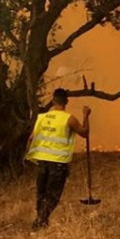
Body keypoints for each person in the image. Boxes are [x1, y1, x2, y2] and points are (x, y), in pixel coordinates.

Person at [25, 88, 91, 231]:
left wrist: (28, 158)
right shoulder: (69, 119)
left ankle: (41, 221)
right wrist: (85, 115)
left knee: (41, 193)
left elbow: (31, 138)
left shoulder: (41, 118)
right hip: (58, 162)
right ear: (66, 101)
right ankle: (40, 221)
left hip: (42, 161)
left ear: (53, 101)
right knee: (53, 194)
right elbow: (84, 133)